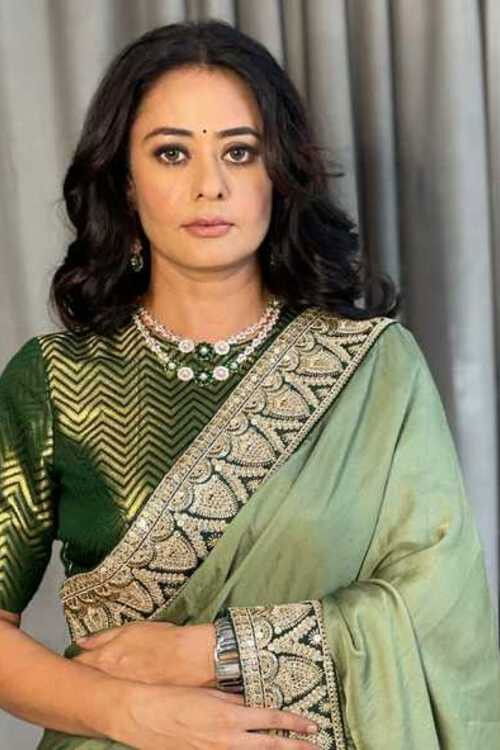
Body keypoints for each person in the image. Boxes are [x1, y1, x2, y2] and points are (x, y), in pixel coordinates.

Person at [0, 18, 498, 750]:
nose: (210, 186)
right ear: (126, 184)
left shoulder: (374, 368)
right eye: (172, 153)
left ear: (279, 177)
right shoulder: (55, 380)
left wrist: (217, 651)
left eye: (240, 151)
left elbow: (441, 606)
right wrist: (126, 711)